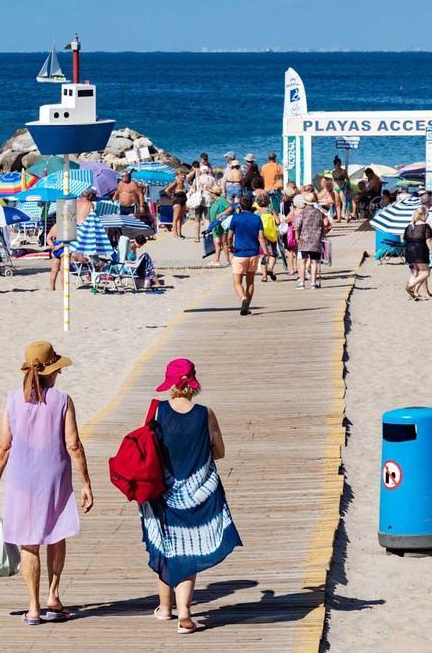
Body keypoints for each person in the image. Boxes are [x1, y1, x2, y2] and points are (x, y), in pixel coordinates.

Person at [0, 341, 92, 626]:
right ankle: (53, 597)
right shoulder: (62, 400)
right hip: (54, 477)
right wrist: (86, 483)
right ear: (51, 371)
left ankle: (33, 608)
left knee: (29, 542)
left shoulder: (11, 400)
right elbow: (74, 445)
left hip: (21, 481)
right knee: (56, 535)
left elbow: (4, 447)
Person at [140, 358, 241, 635]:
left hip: (162, 491)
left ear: (171, 384)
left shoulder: (158, 412)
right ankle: (184, 611)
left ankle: (165, 608)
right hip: (198, 491)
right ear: (193, 383)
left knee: (164, 545)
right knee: (189, 548)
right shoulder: (205, 414)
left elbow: (146, 452)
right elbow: (219, 451)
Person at [226, 196, 267, 316]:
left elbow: (229, 236)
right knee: (250, 282)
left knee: (237, 282)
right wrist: (265, 251)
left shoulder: (236, 218)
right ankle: (247, 306)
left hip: (240, 253)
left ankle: (243, 299)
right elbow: (261, 237)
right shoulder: (257, 219)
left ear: (240, 207)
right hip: (254, 253)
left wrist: (230, 247)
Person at [293, 192, 330, 290]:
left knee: (302, 261)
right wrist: (322, 233)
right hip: (316, 241)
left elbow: (297, 226)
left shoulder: (302, 213)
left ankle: (302, 283)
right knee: (314, 262)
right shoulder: (319, 213)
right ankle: (313, 283)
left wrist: (297, 238)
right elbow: (324, 225)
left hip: (303, 240)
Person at [403, 207, 432, 300]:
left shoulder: (409, 226)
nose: (427, 217)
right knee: (426, 272)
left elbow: (404, 239)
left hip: (409, 250)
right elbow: (428, 241)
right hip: (420, 250)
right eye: (427, 215)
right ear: (423, 215)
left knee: (415, 272)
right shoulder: (425, 226)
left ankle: (413, 292)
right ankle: (410, 286)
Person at [255, 193, 279, 282]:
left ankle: (264, 276)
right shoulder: (271, 210)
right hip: (271, 235)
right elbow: (278, 221)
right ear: (268, 202)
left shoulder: (257, 212)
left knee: (263, 255)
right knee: (273, 254)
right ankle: (270, 268)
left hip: (261, 236)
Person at [207, 183, 232, 267]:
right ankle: (217, 260)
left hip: (221, 224)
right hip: (215, 225)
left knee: (223, 243)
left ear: (214, 193)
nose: (210, 194)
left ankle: (227, 260)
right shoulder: (216, 201)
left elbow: (230, 208)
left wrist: (222, 213)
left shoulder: (222, 200)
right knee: (218, 243)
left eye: (211, 193)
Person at [190, 159, 215, 242]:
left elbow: (193, 189)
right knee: (207, 219)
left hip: (199, 200)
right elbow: (215, 189)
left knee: (197, 220)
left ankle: (197, 238)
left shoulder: (197, 179)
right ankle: (207, 237)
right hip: (208, 200)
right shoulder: (212, 179)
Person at [165, 169, 188, 239]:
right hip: (177, 201)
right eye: (182, 175)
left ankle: (180, 233)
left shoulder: (183, 183)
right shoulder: (176, 182)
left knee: (181, 218)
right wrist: (172, 197)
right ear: (178, 175)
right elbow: (167, 190)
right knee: (176, 218)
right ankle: (175, 234)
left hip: (183, 201)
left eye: (184, 175)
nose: (183, 176)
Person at [331, 156, 353, 221]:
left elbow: (348, 180)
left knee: (344, 202)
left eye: (339, 164)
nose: (339, 165)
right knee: (337, 204)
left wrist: (348, 186)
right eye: (337, 164)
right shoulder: (333, 172)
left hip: (342, 188)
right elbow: (333, 181)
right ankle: (339, 218)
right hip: (335, 189)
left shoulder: (343, 171)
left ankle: (346, 216)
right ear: (334, 165)